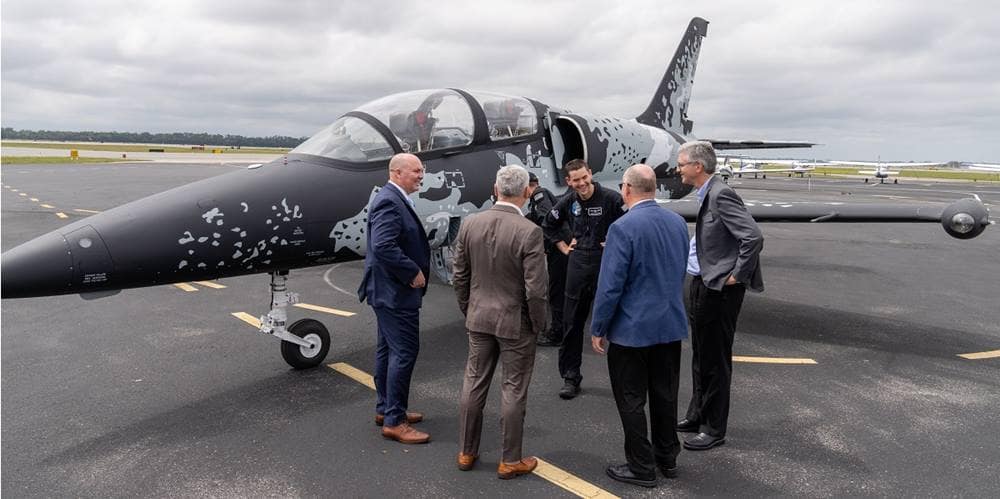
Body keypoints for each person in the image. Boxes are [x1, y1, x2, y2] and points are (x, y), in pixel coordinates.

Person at [590, 164, 690, 488]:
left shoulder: (622, 227)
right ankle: (667, 457)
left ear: (627, 189)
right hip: (669, 325)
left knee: (631, 399)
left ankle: (641, 466)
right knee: (665, 394)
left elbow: (610, 286)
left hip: (632, 330)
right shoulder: (677, 222)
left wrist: (598, 326)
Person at [453, 165, 549, 479]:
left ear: (496, 189)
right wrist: (538, 323)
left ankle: (467, 451)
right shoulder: (530, 231)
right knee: (513, 389)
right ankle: (509, 460)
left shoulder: (470, 223)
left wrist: (469, 309)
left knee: (473, 383)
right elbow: (536, 289)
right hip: (515, 322)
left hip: (479, 317)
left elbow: (460, 275)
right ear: (526, 192)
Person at [675, 140, 764, 451]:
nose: (678, 169)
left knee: (715, 360)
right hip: (702, 283)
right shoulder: (706, 193)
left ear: (698, 167)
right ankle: (697, 413)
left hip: (718, 290)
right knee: (701, 354)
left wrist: (737, 275)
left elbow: (752, 237)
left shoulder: (721, 193)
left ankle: (714, 429)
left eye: (682, 164)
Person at [357, 153, 432, 444]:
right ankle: (395, 421)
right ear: (397, 172)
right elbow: (383, 245)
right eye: (416, 171)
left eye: (421, 170)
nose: (421, 175)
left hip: (387, 292)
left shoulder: (392, 196)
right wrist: (412, 271)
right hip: (395, 293)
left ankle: (386, 408)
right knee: (404, 353)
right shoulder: (390, 200)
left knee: (388, 351)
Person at [542, 159, 625, 399]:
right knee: (572, 324)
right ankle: (570, 377)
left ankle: (623, 381)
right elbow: (549, 224)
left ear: (590, 173)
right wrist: (563, 246)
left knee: (616, 323)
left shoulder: (612, 199)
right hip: (577, 265)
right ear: (568, 181)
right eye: (575, 180)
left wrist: (616, 242)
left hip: (605, 264)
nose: (581, 183)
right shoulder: (568, 201)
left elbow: (631, 221)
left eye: (584, 177)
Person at [524, 171, 567, 347]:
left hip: (560, 251)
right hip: (559, 250)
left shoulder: (539, 196)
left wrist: (554, 243)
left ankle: (557, 334)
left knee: (557, 293)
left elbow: (546, 220)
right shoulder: (538, 198)